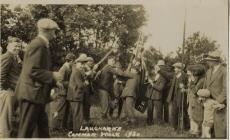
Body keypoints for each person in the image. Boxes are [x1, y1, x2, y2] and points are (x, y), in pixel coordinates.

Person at [15, 18, 62, 138]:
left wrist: (54, 82)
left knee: (42, 131)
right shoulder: (38, 45)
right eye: (54, 31)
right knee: (26, 131)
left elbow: (38, 70)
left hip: (36, 95)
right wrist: (52, 75)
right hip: (31, 95)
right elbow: (32, 70)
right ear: (47, 31)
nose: (55, 35)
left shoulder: (41, 45)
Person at [0, 37, 23, 138]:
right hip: (8, 92)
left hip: (14, 91)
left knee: (11, 118)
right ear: (8, 46)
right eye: (15, 46)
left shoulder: (14, 57)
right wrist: (6, 89)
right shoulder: (7, 57)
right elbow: (1, 75)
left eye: (19, 46)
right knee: (6, 119)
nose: (17, 48)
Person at [202, 50, 226, 138]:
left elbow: (226, 89)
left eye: (209, 60)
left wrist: (218, 101)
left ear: (215, 61)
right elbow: (205, 86)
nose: (207, 62)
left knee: (219, 128)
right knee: (208, 128)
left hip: (220, 105)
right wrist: (203, 98)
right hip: (208, 104)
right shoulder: (208, 71)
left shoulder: (225, 71)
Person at [50, 53, 76, 131]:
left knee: (65, 111)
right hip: (62, 93)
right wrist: (70, 83)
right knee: (59, 110)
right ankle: (54, 127)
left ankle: (62, 126)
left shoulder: (68, 67)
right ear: (70, 61)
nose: (74, 63)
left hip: (66, 92)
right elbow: (59, 81)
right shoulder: (63, 68)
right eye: (73, 62)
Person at [66, 55, 88, 132]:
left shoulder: (75, 70)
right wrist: (85, 83)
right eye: (81, 63)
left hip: (73, 96)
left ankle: (70, 128)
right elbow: (80, 85)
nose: (82, 65)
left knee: (73, 113)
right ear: (77, 63)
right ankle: (77, 130)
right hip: (76, 96)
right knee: (78, 113)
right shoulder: (77, 72)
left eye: (83, 64)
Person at [166, 62, 188, 131]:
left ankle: (186, 127)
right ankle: (174, 126)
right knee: (174, 112)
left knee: (183, 112)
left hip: (181, 96)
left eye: (176, 68)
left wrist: (184, 86)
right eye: (174, 68)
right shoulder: (175, 75)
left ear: (180, 69)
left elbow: (188, 85)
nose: (174, 69)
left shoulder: (185, 76)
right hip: (174, 97)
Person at [186, 64, 205, 137]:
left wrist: (192, 82)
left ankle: (197, 132)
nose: (193, 75)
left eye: (194, 73)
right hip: (192, 101)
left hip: (197, 102)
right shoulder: (198, 79)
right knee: (192, 116)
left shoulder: (201, 81)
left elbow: (194, 91)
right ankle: (193, 131)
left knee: (197, 117)